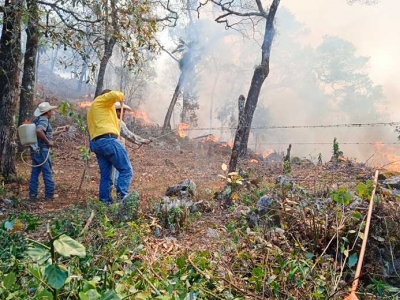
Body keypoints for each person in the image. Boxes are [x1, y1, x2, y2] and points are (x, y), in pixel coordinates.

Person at [87, 90, 150, 204]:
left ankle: (104, 203)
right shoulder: (100, 101)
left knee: (106, 176)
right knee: (126, 170)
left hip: (97, 144)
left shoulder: (94, 110)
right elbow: (116, 94)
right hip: (109, 141)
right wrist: (120, 97)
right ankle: (122, 199)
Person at [29, 102, 70, 201]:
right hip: (43, 151)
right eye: (51, 110)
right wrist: (48, 142)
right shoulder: (44, 119)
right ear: (47, 112)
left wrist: (62, 130)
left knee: (34, 174)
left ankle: (32, 196)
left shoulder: (38, 120)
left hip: (35, 150)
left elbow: (47, 133)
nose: (52, 112)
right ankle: (49, 196)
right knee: (47, 172)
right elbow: (39, 131)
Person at [112, 102, 151, 185]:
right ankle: (121, 194)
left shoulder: (108, 121)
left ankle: (109, 194)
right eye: (123, 112)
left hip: (108, 149)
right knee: (125, 171)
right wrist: (142, 141)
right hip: (116, 149)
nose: (124, 114)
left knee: (110, 173)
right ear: (117, 112)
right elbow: (129, 135)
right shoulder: (118, 122)